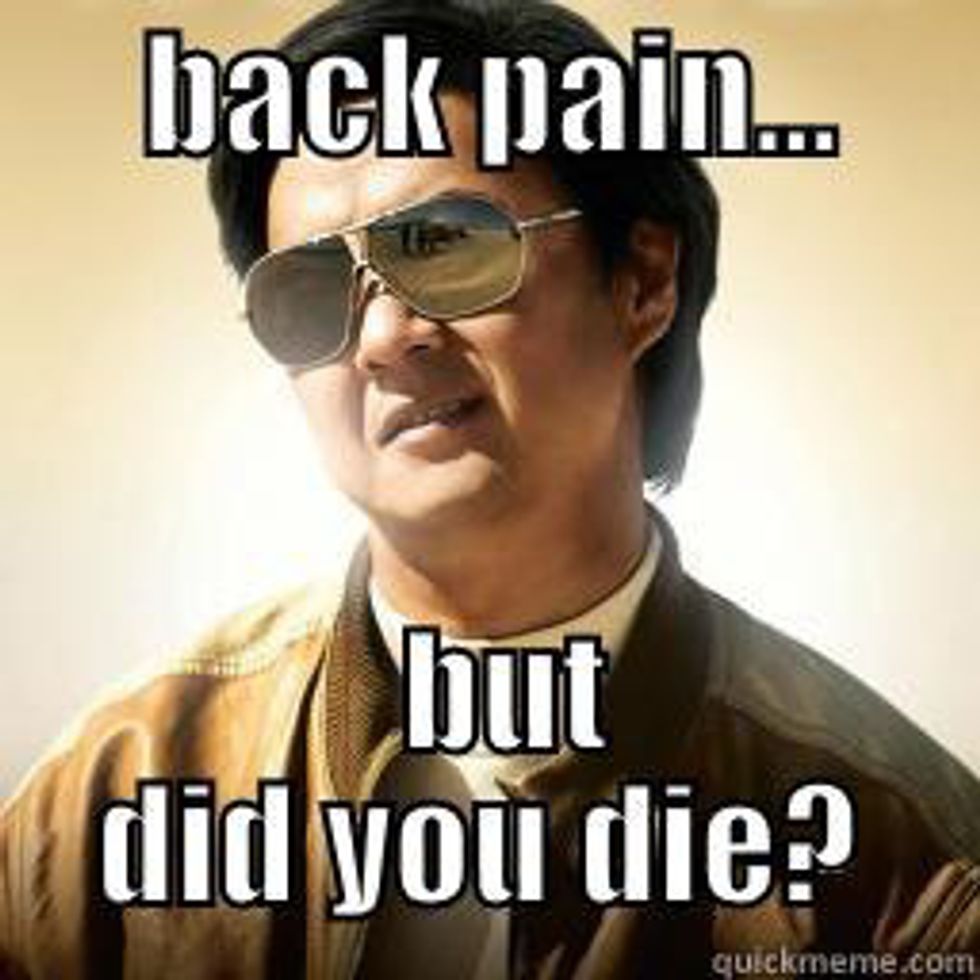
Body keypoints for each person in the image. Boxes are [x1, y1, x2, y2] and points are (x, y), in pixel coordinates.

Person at [2, 1, 978, 978]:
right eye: (308, 290)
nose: (384, 338)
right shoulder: (105, 804)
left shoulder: (902, 870)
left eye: (446, 245)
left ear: (642, 280)